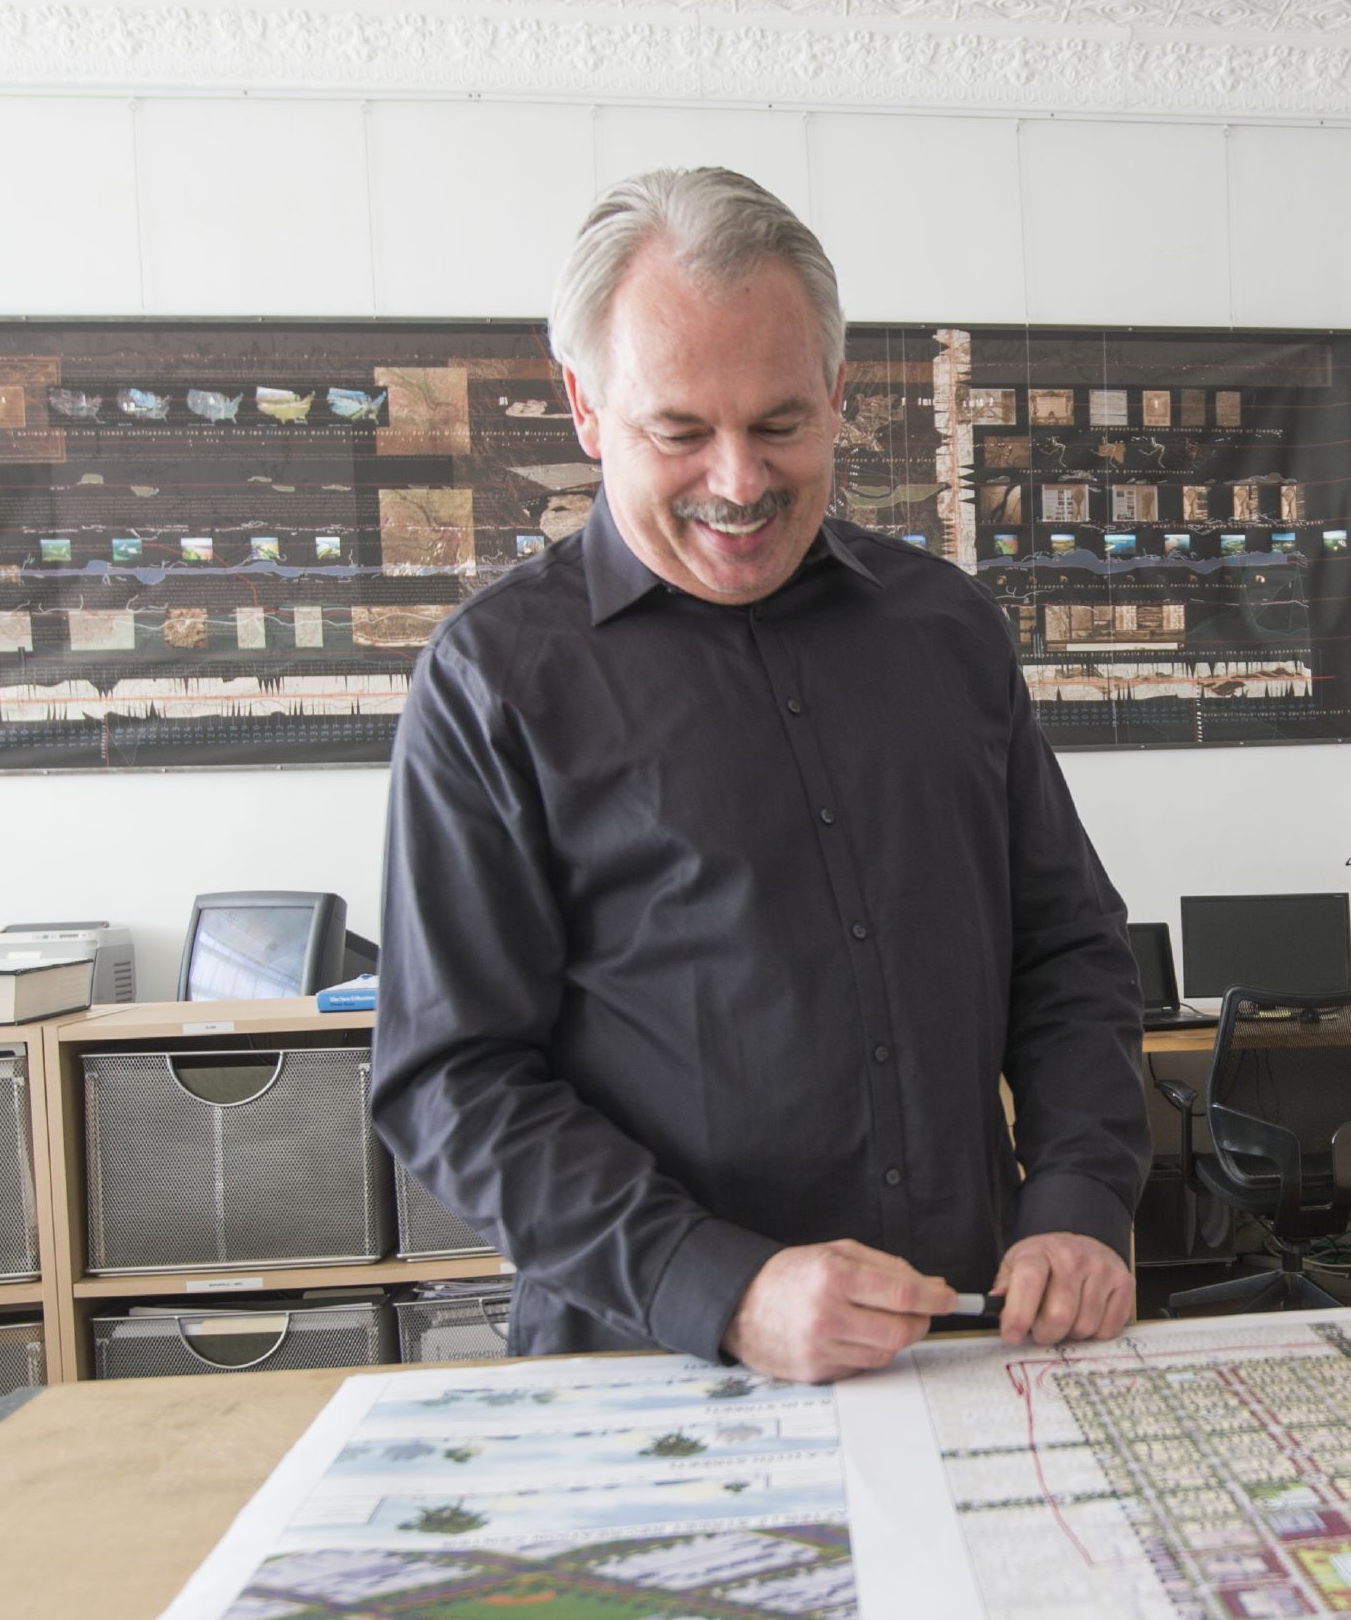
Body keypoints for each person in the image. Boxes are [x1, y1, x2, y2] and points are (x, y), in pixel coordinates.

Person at [374, 167, 1149, 1383]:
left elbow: (1066, 947)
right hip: (651, 1362)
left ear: (840, 396)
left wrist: (1080, 1192)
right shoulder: (492, 677)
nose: (739, 481)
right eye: (679, 430)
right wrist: (720, 1284)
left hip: (964, 1341)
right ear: (584, 409)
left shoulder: (948, 631)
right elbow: (451, 1077)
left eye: (782, 423)